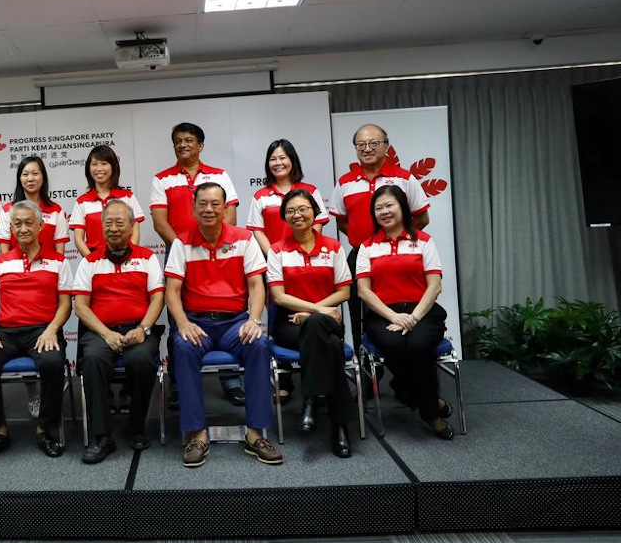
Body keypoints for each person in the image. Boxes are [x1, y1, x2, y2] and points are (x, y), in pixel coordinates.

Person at [165, 182, 281, 468]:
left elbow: (257, 285)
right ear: (193, 208)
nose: (209, 209)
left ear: (226, 207)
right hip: (198, 323)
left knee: (258, 344)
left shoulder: (244, 239)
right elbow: (172, 291)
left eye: (215, 204)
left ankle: (255, 435)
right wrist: (182, 323)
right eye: (202, 203)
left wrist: (255, 320)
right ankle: (197, 435)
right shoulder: (182, 242)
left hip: (234, 323)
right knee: (182, 346)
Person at [150, 123, 243, 408]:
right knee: (180, 317)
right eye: (177, 141)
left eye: (189, 140)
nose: (183, 145)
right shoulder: (162, 179)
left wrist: (211, 243)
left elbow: (231, 215)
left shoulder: (219, 175)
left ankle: (230, 381)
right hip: (181, 254)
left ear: (201, 144)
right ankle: (179, 384)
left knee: (224, 311)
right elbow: (159, 221)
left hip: (220, 253)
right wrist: (185, 246)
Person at [0, 200, 73, 459]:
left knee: (52, 363)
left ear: (41, 225)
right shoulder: (0, 263)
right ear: (11, 228)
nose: (24, 228)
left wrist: (52, 330)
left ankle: (44, 430)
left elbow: (65, 305)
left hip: (43, 329)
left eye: (29, 223)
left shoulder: (59, 261)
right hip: (6, 331)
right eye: (18, 224)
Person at [356, 185, 453, 440]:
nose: (384, 212)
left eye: (389, 205)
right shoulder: (367, 247)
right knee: (394, 344)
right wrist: (393, 316)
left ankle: (418, 401)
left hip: (423, 310)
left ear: (403, 207)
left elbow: (435, 285)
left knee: (419, 344)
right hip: (383, 314)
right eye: (378, 208)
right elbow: (364, 292)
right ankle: (431, 408)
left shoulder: (423, 241)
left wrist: (414, 318)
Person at [74, 199, 164, 463]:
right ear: (101, 227)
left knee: (140, 360)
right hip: (101, 331)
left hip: (138, 328)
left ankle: (136, 426)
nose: (113, 228)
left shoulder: (147, 258)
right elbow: (80, 306)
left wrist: (144, 328)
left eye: (119, 222)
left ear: (132, 226)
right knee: (93, 359)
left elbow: (158, 298)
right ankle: (103, 437)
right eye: (108, 223)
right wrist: (105, 333)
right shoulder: (89, 262)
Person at [327, 124, 430, 351]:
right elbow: (342, 221)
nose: (367, 149)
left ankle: (403, 362)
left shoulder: (403, 178)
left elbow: (422, 218)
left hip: (400, 255)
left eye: (374, 143)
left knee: (402, 306)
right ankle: (365, 371)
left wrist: (394, 238)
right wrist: (366, 243)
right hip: (359, 257)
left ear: (386, 146)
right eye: (361, 145)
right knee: (358, 312)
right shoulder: (345, 182)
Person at [267, 190, 354, 458]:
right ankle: (340, 427)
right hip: (290, 323)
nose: (297, 215)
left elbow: (344, 292)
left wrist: (314, 315)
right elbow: (278, 296)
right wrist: (316, 310)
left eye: (303, 209)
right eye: (291, 211)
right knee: (333, 347)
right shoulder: (277, 250)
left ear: (315, 212)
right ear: (284, 216)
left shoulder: (334, 247)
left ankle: (311, 399)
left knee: (319, 330)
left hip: (325, 321)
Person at [0, 156, 69, 419]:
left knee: (47, 351)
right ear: (20, 179)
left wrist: (52, 276)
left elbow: (60, 249)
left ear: (43, 178)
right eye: (25, 174)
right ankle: (32, 393)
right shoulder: (8, 210)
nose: (30, 178)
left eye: (35, 173)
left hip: (47, 279)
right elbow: (4, 248)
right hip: (16, 280)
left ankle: (50, 397)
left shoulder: (55, 210)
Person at [247, 138, 329, 257]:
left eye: (282, 158)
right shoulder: (260, 196)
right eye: (273, 159)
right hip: (274, 260)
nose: (278, 163)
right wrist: (273, 257)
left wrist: (307, 250)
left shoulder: (310, 191)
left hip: (307, 258)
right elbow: (258, 231)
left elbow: (317, 223)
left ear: (292, 160)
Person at [71, 144, 145, 256]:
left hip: (125, 259)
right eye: (94, 164)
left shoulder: (127, 197)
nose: (99, 169)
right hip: (95, 261)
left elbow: (135, 231)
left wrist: (128, 256)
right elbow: (78, 239)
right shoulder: (82, 202)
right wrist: (92, 261)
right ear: (88, 168)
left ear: (113, 167)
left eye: (104, 164)